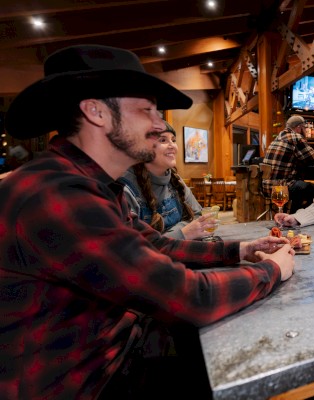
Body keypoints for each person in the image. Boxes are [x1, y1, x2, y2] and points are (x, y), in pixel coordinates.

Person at [0, 44, 295, 399]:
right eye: (147, 110)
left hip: (121, 352)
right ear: (96, 112)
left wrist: (242, 249)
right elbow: (190, 298)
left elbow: (159, 245)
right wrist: (273, 271)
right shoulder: (56, 194)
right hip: (87, 382)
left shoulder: (99, 186)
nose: (159, 126)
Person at [118, 121, 215, 240]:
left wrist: (176, 233)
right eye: (163, 140)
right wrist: (183, 233)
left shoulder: (175, 179)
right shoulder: (124, 189)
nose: (172, 146)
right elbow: (131, 248)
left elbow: (198, 216)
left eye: (173, 140)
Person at [263, 115, 314, 213]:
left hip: (267, 188)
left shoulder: (277, 138)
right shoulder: (295, 137)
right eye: (304, 128)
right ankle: (298, 217)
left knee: (300, 186)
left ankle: (293, 216)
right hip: (282, 188)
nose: (305, 131)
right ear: (299, 128)